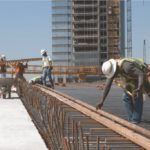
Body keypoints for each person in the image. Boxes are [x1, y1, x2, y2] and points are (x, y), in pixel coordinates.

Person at [96, 58, 150, 124]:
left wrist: (139, 88)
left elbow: (141, 74)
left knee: (137, 95)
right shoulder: (113, 69)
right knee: (125, 97)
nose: (113, 76)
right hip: (132, 78)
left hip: (143, 75)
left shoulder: (127, 67)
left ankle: (135, 120)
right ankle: (131, 120)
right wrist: (102, 101)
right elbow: (107, 86)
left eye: (113, 74)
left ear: (115, 69)